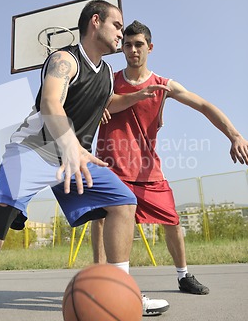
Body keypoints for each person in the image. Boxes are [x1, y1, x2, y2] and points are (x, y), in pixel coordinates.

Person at [0, 1, 169, 321]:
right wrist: (70, 144)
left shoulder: (103, 74)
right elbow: (51, 103)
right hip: (35, 149)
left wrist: (136, 97)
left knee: (123, 200)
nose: (121, 32)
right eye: (116, 25)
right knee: (2, 209)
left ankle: (120, 289)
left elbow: (106, 102)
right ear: (95, 22)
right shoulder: (64, 59)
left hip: (74, 157)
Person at [92, 20, 248, 295]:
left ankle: (184, 276)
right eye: (127, 45)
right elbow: (81, 102)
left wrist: (234, 135)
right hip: (110, 165)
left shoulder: (163, 85)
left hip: (145, 169)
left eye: (138, 44)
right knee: (102, 217)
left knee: (172, 220)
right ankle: (100, 277)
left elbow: (203, 105)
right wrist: (96, 109)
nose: (132, 50)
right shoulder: (108, 80)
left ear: (149, 48)